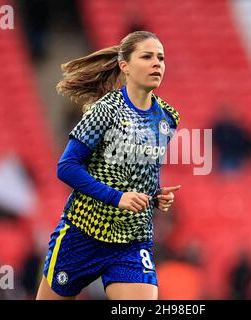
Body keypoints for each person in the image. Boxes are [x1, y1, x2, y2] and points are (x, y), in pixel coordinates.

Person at [36, 31, 181, 300]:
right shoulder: (106, 110)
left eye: (161, 58)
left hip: (132, 241)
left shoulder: (168, 117)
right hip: (83, 234)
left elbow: (143, 170)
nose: (157, 63)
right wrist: (117, 198)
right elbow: (66, 166)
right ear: (125, 66)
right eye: (147, 56)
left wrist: (156, 195)